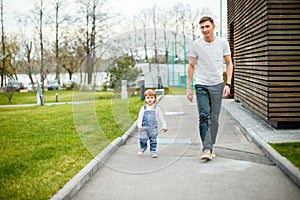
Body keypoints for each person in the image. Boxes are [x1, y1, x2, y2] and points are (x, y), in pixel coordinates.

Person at [186, 16, 233, 161]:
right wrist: (189, 87)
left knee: (214, 118)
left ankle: (210, 146)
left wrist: (228, 84)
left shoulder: (222, 43)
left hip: (217, 85)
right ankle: (206, 149)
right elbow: (191, 66)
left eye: (207, 26)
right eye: (202, 27)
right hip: (201, 85)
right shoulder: (196, 45)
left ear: (213, 26)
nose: (205, 30)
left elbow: (229, 63)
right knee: (204, 116)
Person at [137, 89, 168, 158]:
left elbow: (161, 118)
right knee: (143, 138)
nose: (149, 99)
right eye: (148, 98)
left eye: (151, 97)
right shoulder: (143, 108)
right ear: (145, 99)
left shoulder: (156, 108)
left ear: (154, 99)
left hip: (153, 128)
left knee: (153, 140)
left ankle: (153, 151)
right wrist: (139, 125)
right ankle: (143, 148)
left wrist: (164, 126)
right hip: (144, 128)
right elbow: (140, 118)